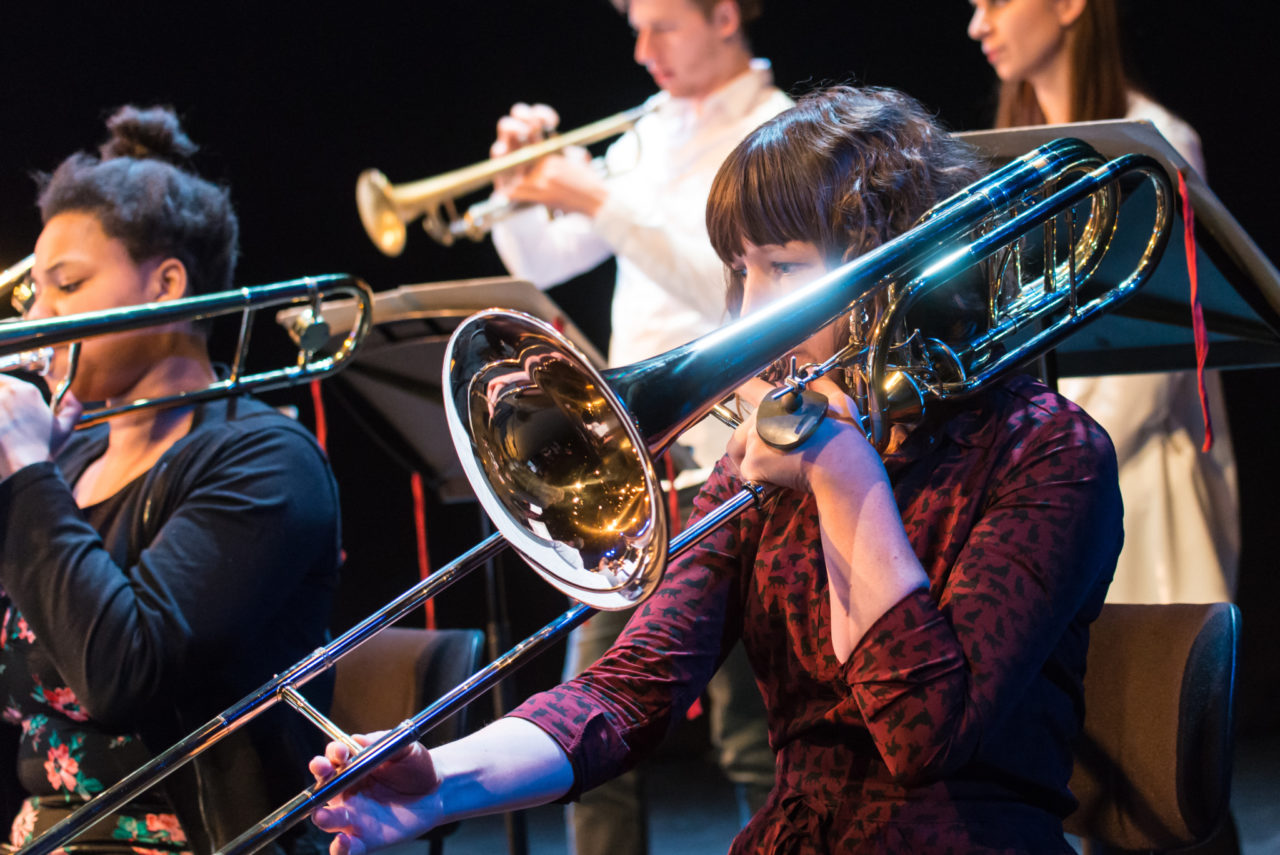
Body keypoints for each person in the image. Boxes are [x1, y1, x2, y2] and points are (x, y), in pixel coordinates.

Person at [308, 85, 1123, 854]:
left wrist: (846, 481)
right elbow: (628, 691)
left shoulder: (1048, 453)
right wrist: (440, 781)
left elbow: (923, 733)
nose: (749, 311)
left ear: (892, 273)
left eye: (786, 268)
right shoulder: (767, 463)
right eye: (740, 269)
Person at [487, 0, 792, 847]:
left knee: (752, 729)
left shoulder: (776, 132)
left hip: (732, 447)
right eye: (636, 25)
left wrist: (598, 196)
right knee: (591, 711)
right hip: (637, 455)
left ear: (724, 15)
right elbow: (550, 261)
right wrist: (519, 191)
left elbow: (741, 300)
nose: (641, 46)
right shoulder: (652, 131)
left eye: (663, 24)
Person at [0, 106, 341, 854]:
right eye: (33, 294)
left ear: (167, 284)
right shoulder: (68, 462)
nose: (36, 318)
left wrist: (26, 473)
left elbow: (123, 671)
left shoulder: (264, 459)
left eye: (66, 284)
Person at [967, 0, 1240, 604]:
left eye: (996, 3)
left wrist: (1039, 469)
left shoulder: (1157, 143)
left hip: (1131, 488)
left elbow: (1149, 377)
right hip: (1037, 485)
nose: (978, 25)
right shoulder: (1007, 161)